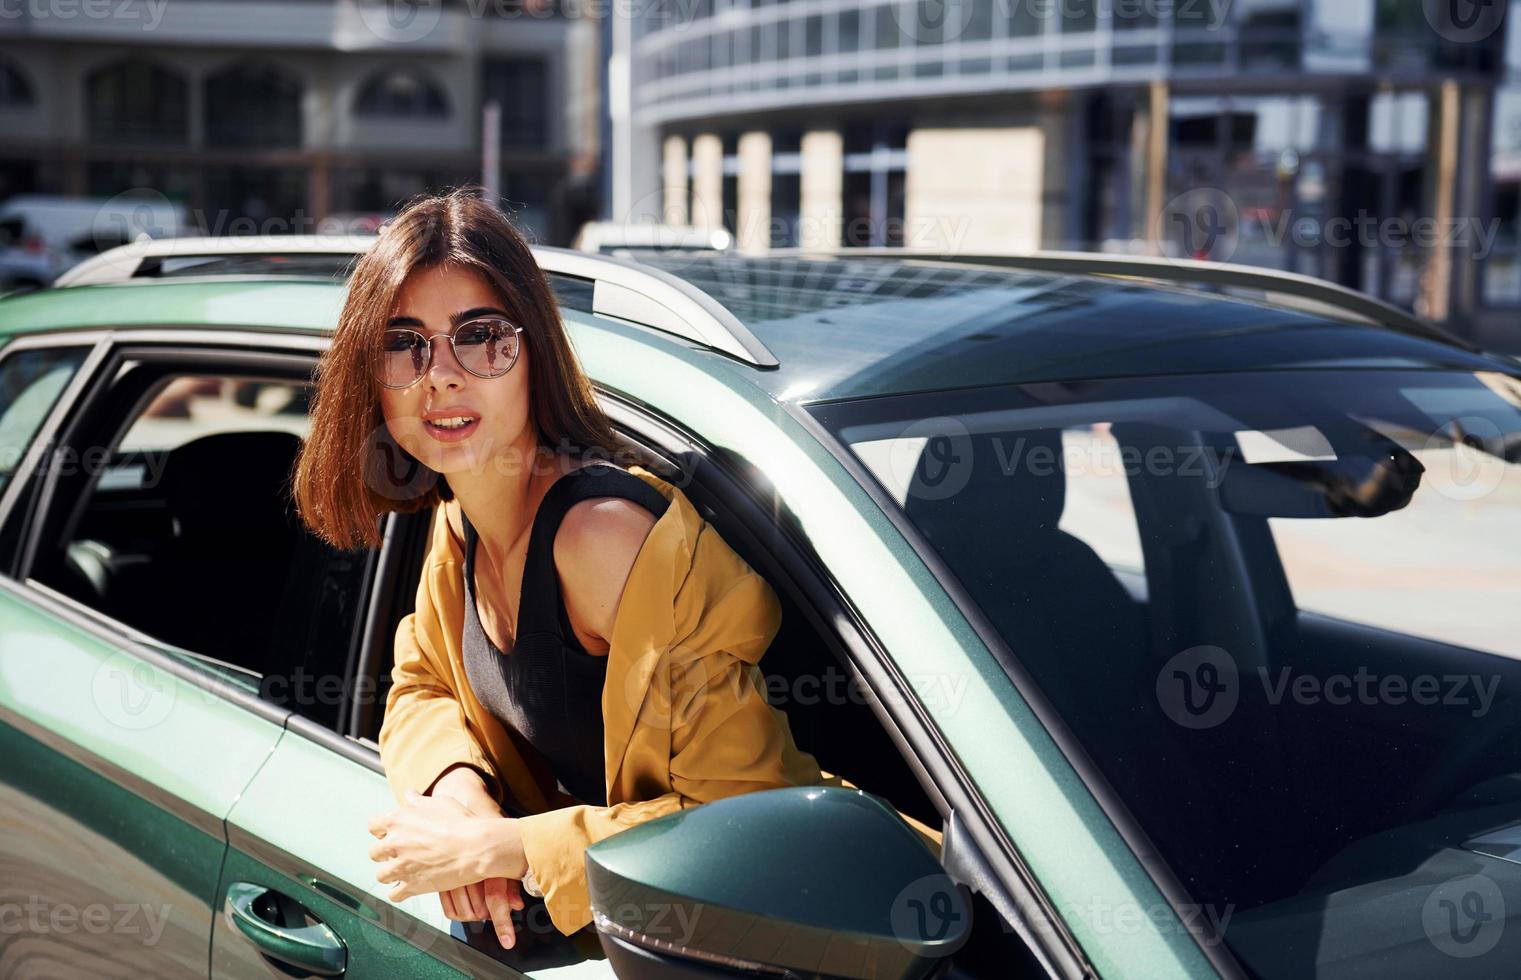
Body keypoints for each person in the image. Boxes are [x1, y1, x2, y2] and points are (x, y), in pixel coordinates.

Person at [292, 187, 938, 952]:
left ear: (536, 351)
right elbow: (421, 682)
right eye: (405, 344)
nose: (442, 376)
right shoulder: (460, 512)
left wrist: (513, 852)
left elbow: (750, 821)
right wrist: (461, 799)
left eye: (482, 336)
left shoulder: (602, 541)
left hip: (855, 918)